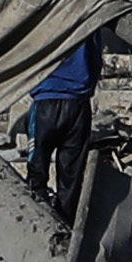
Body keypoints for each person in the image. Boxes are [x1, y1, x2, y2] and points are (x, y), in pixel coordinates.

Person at [14, 30, 105, 220]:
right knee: (71, 178)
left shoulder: (47, 15)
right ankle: (67, 226)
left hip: (46, 102)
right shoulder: (90, 13)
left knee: (36, 171)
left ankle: (38, 222)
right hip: (78, 105)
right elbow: (96, 57)